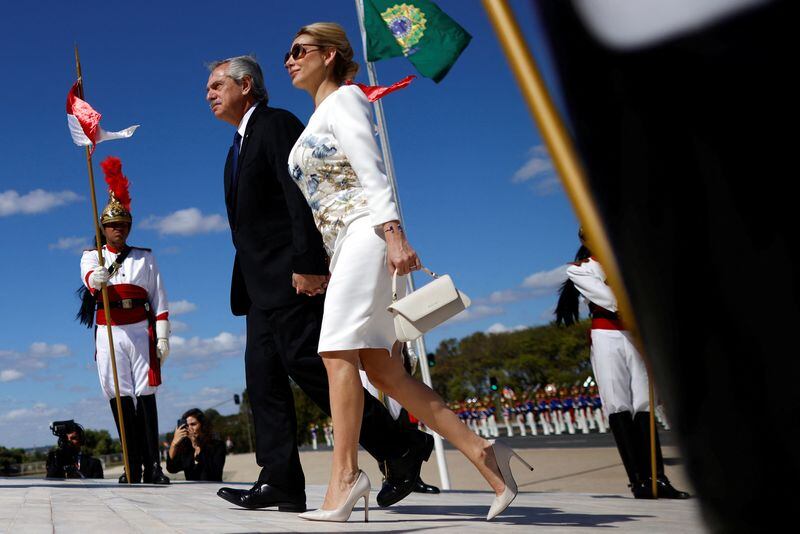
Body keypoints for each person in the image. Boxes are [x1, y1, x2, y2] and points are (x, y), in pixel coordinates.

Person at [284, 22, 531, 522]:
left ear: (330, 55)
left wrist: (394, 236)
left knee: (334, 353)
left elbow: (374, 173)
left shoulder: (348, 100)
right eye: (286, 53)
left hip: (366, 233)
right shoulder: (314, 119)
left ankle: (345, 478)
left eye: (299, 50)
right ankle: (483, 452)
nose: (289, 59)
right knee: (382, 368)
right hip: (343, 248)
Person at [205, 54, 433, 513]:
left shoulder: (274, 124)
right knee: (262, 378)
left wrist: (310, 263)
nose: (208, 93)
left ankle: (401, 446)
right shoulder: (237, 144)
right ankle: (281, 480)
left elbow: (299, 195)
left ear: (246, 86)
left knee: (310, 365)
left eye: (216, 85)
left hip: (293, 276)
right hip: (258, 286)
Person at [556, 228, 688, 499]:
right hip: (608, 336)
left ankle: (658, 478)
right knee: (619, 405)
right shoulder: (581, 270)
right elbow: (612, 301)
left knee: (644, 404)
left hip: (635, 335)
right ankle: (638, 480)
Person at [78, 157, 170, 485]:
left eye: (123, 225)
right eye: (113, 226)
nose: (119, 230)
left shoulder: (145, 256)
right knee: (120, 395)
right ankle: (132, 466)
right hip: (110, 329)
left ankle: (153, 467)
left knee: (145, 395)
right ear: (103, 228)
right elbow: (90, 281)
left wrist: (162, 336)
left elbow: (158, 297)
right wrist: (97, 278)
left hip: (138, 328)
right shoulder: (92, 255)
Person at [166, 408, 226, 482]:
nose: (190, 428)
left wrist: (197, 446)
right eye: (187, 425)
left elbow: (214, 472)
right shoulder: (186, 447)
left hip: (212, 489)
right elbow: (172, 469)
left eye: (193, 424)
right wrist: (174, 443)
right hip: (193, 491)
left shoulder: (217, 445)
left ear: (202, 425)